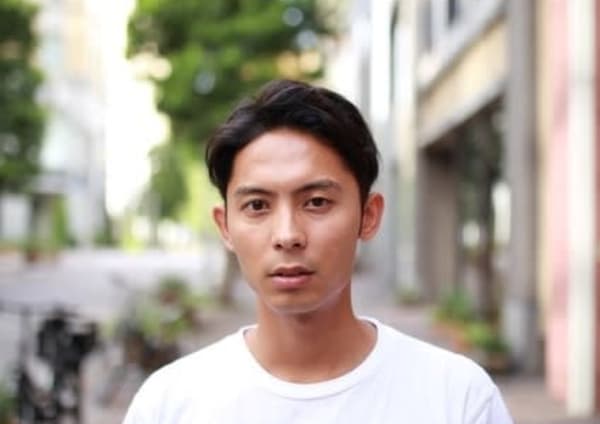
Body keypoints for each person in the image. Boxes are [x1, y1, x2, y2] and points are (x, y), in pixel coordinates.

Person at [122, 79, 513, 423]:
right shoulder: (169, 405)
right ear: (225, 226)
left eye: (316, 202)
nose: (288, 235)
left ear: (368, 216)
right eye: (257, 205)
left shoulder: (457, 399)